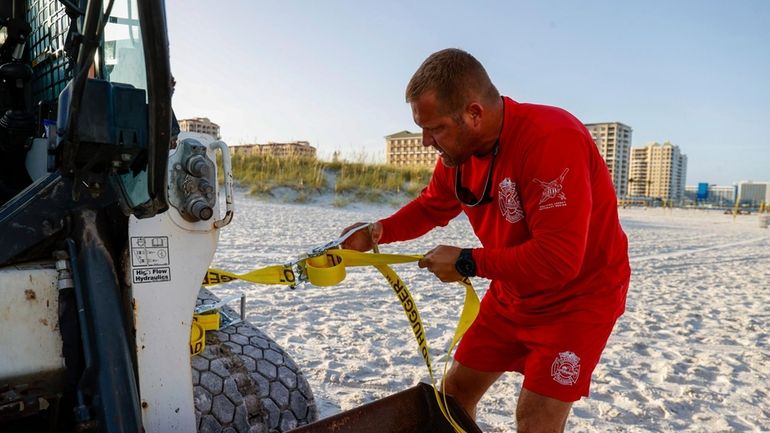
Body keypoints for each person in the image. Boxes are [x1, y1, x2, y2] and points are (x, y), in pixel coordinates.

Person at [341, 48, 630, 432]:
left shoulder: (550, 138)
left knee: (536, 417)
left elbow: (559, 259)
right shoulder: (457, 155)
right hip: (513, 291)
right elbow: (432, 206)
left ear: (474, 113)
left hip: (577, 301)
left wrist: (466, 261)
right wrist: (380, 231)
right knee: (454, 394)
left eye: (436, 128)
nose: (426, 141)